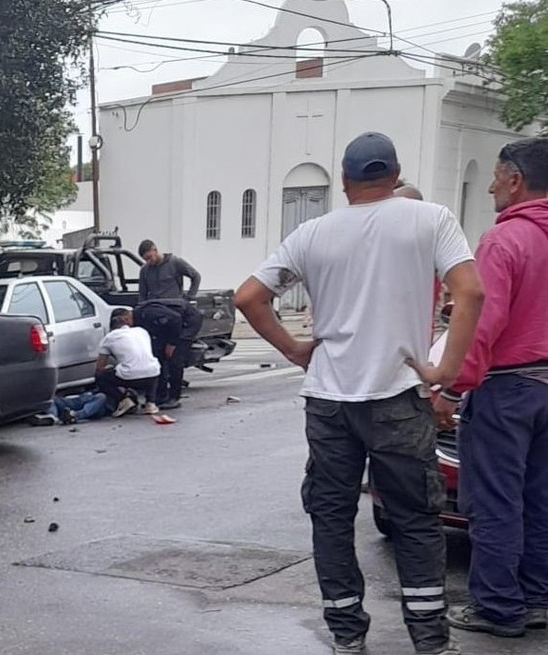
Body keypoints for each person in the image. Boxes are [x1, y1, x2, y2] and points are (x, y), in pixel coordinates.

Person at [234, 132, 484, 655]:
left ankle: (347, 634)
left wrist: (295, 349)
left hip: (329, 400)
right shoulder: (431, 219)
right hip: (399, 395)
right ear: (394, 175)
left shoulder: (312, 233)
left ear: (345, 181)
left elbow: (249, 297)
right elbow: (471, 291)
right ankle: (430, 641)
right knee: (415, 519)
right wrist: (447, 368)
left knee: (331, 516)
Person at [435, 137, 548, 638]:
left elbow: (482, 322)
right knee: (539, 498)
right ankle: (538, 596)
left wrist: (453, 388)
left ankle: (497, 607)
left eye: (496, 177)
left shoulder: (504, 240)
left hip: (507, 389)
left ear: (515, 180)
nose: (490, 188)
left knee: (495, 500)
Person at [94, 308, 163, 418]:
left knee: (100, 376)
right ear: (126, 322)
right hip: (153, 374)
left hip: (130, 376)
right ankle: (150, 403)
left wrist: (111, 368)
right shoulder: (142, 331)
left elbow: (99, 367)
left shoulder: (109, 338)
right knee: (150, 367)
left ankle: (123, 400)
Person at [135, 300, 201, 410]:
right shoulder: (138, 321)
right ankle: (160, 396)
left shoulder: (147, 313)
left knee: (175, 360)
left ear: (126, 318)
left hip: (187, 321)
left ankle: (174, 397)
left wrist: (172, 343)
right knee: (159, 357)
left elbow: (176, 319)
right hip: (171, 326)